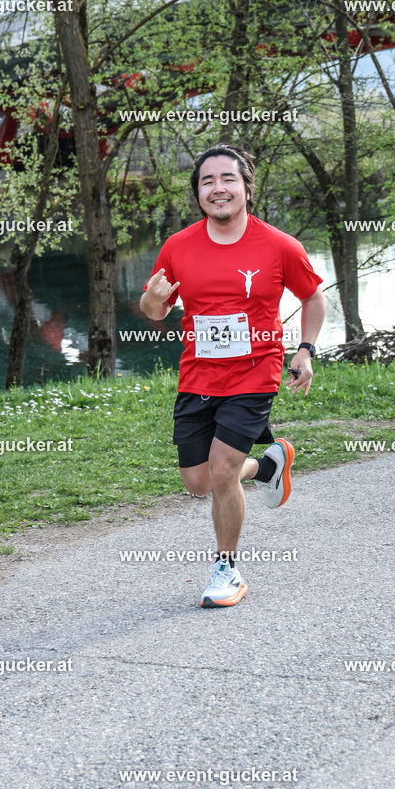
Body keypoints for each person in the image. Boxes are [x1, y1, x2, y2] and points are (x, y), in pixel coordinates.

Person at [139, 144, 326, 608]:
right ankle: (267, 467)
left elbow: (313, 298)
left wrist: (304, 350)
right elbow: (154, 310)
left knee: (222, 471)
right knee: (199, 482)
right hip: (198, 376)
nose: (218, 188)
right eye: (207, 181)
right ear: (198, 192)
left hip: (255, 372)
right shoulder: (178, 246)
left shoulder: (280, 245)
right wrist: (151, 299)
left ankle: (226, 569)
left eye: (228, 179)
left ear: (246, 187)